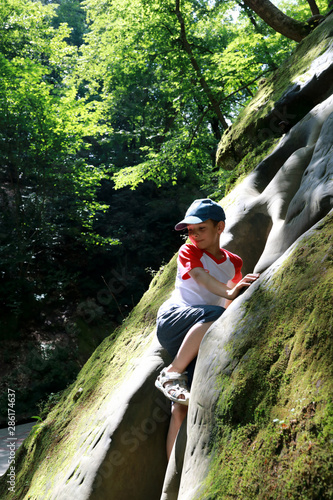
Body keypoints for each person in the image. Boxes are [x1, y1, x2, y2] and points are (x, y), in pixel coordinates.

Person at [155, 198, 259, 459]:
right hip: (174, 321)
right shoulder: (189, 252)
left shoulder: (233, 262)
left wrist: (232, 296)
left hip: (198, 332)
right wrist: (230, 292)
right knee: (216, 313)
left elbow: (229, 298)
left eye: (201, 229)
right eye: (190, 230)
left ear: (219, 227)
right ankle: (171, 372)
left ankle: (172, 478)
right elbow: (203, 278)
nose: (194, 235)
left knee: (182, 404)